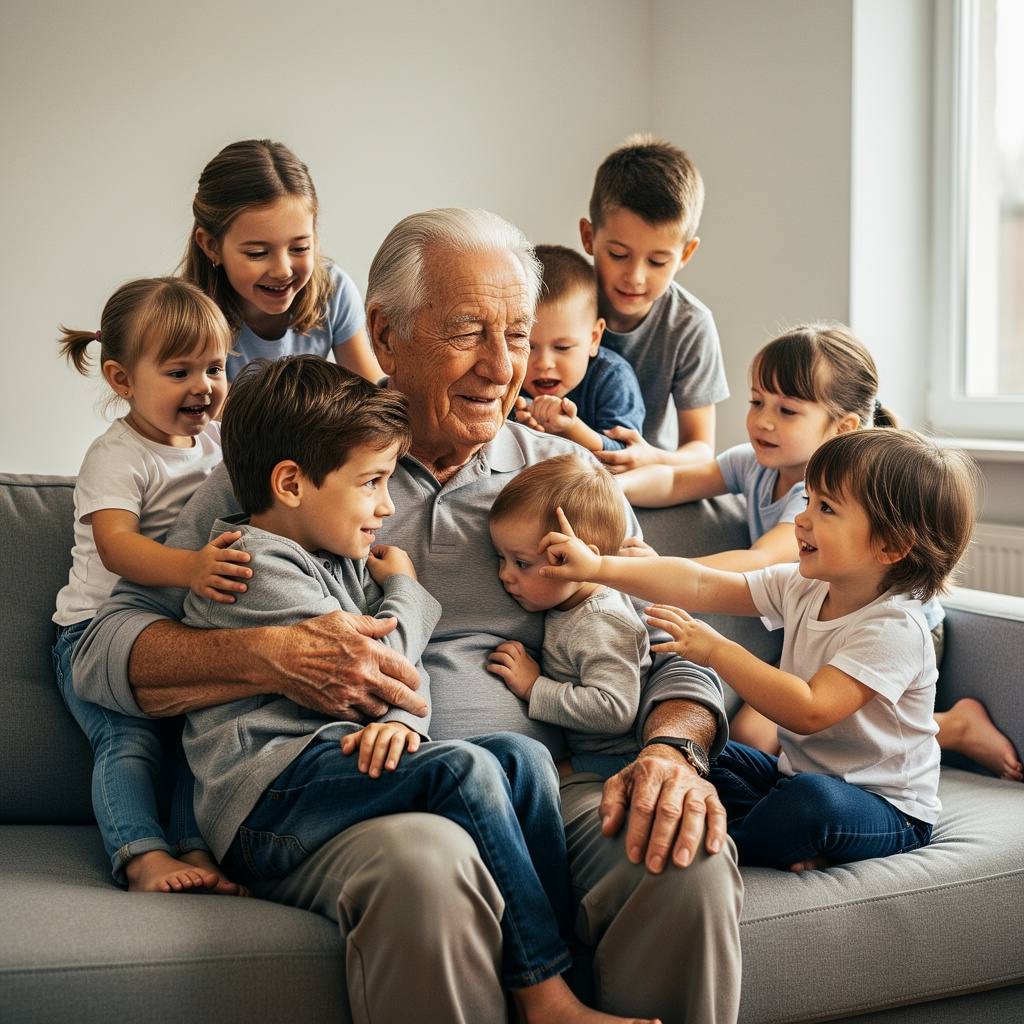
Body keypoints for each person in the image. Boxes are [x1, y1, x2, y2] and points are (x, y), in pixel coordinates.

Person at [74, 208, 742, 1024]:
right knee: (430, 862)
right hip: (345, 792)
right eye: (468, 332)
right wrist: (267, 654)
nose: (505, 367)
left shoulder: (566, 478)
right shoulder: (297, 460)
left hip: (543, 783)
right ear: (385, 336)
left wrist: (674, 749)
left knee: (683, 855)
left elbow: (677, 642)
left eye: (520, 335)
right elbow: (104, 651)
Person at [182, 355, 654, 1024]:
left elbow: (401, 670)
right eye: (372, 484)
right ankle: (545, 995)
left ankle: (555, 972)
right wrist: (404, 589)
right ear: (290, 483)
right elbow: (376, 669)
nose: (384, 505)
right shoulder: (251, 562)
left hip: (325, 769)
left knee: (524, 761)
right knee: (462, 768)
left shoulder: (332, 558)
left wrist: (405, 712)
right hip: (270, 801)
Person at [541, 429, 980, 870]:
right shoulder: (805, 584)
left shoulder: (895, 629)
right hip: (795, 777)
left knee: (811, 803)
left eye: (826, 508)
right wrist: (599, 566)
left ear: (891, 545)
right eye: (807, 500)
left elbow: (808, 709)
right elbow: (701, 583)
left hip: (886, 809)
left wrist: (718, 652)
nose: (802, 520)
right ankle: (779, 836)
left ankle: (723, 844)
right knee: (703, 746)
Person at [617, 324, 1024, 780]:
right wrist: (613, 490)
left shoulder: (824, 498)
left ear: (843, 427)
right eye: (756, 402)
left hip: (887, 632)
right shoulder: (755, 464)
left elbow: (758, 560)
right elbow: (675, 480)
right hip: (819, 623)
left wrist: (660, 570)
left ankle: (949, 728)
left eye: (787, 410)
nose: (763, 421)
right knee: (754, 736)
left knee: (764, 733)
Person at [53, 277, 251, 894]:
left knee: (205, 735)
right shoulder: (118, 455)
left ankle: (195, 846)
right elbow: (117, 545)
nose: (204, 386)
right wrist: (192, 567)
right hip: (93, 633)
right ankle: (142, 855)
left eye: (215, 367)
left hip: (173, 630)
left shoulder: (219, 442)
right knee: (129, 738)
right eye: (179, 371)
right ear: (121, 379)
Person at [486, 454, 651, 780]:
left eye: (521, 563)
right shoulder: (570, 599)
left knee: (538, 781)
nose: (504, 575)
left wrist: (535, 688)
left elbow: (616, 711)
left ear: (576, 558)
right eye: (499, 557)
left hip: (622, 759)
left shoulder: (601, 622)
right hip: (591, 751)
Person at [579, 135, 729, 471]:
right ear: (589, 237)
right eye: (618, 254)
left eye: (658, 262)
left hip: (645, 474)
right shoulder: (558, 299)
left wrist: (651, 456)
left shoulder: (690, 324)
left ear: (686, 255)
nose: (635, 276)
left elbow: (701, 448)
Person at [180, 138, 382, 383]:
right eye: (257, 253)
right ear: (212, 246)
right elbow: (212, 413)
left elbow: (372, 393)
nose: (282, 270)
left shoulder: (334, 291)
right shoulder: (184, 318)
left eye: (299, 248)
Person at [512, 245, 645, 452]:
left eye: (562, 347)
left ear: (594, 339)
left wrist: (569, 428)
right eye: (528, 346)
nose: (544, 363)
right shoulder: (508, 373)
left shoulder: (612, 377)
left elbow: (625, 453)